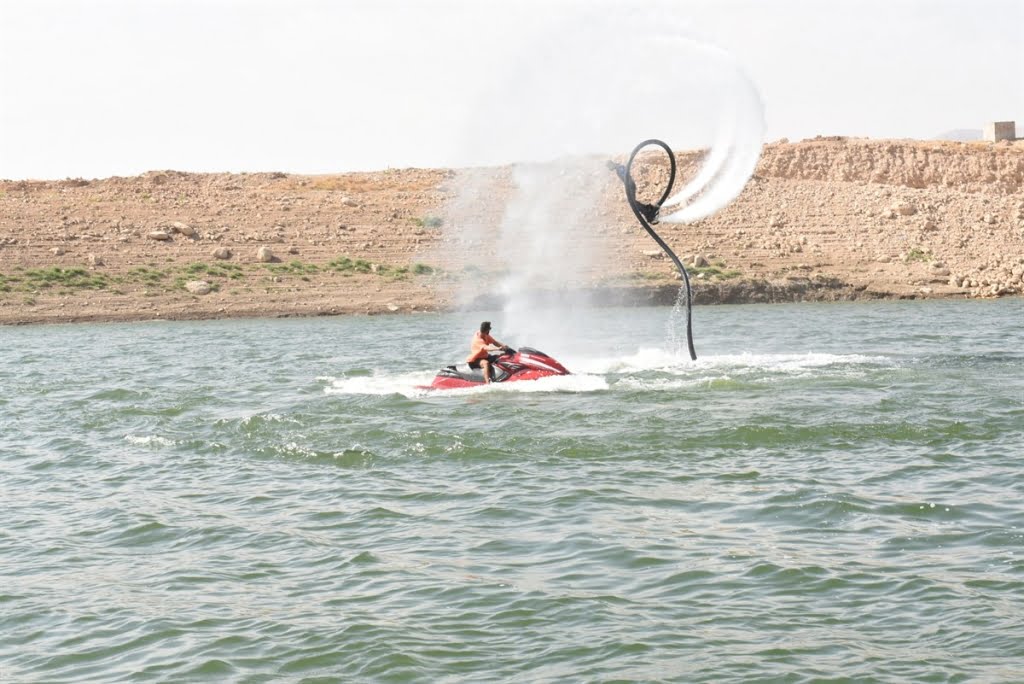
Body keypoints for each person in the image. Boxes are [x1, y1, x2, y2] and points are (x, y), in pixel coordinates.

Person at [607, 160, 660, 224]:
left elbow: (626, 176)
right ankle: (647, 211)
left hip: (630, 185)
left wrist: (628, 186)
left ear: (611, 164)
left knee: (632, 202)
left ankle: (648, 211)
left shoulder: (619, 168)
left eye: (609, 167)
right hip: (629, 185)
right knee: (632, 202)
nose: (609, 169)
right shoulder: (618, 168)